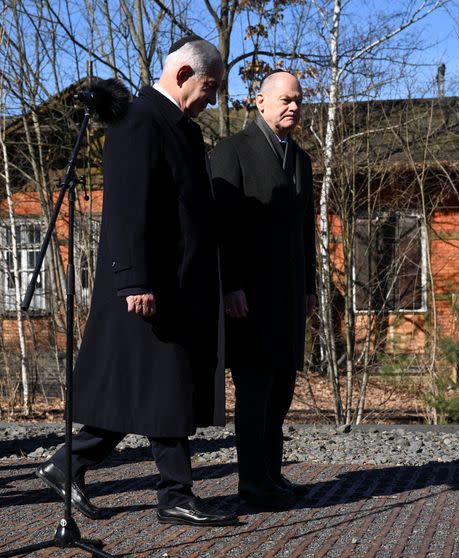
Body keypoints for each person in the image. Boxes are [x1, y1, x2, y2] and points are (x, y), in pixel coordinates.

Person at [36, 35, 237, 527]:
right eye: (210, 87)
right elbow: (126, 210)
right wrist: (132, 282)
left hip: (177, 286)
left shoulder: (181, 129)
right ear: (185, 75)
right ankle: (174, 494)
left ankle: (69, 464)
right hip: (147, 287)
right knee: (161, 388)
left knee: (146, 390)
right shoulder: (139, 122)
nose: (212, 100)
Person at [210, 71, 316, 508]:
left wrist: (310, 288)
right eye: (285, 100)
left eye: (298, 101)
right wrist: (230, 285)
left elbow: (306, 231)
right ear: (260, 101)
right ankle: (252, 483)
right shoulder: (231, 152)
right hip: (249, 298)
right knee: (255, 392)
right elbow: (222, 228)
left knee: (282, 391)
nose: (293, 107)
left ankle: (272, 475)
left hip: (290, 298)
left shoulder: (302, 160)